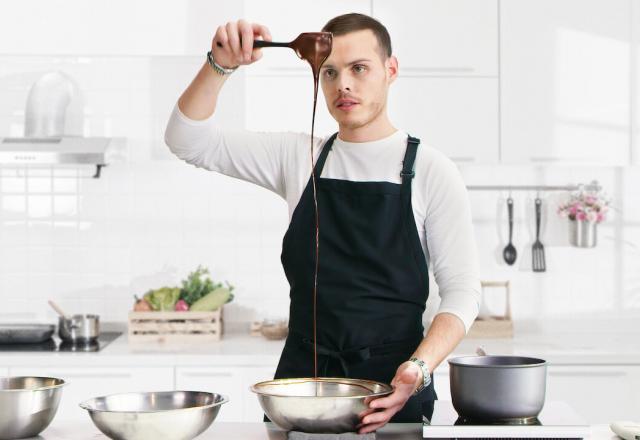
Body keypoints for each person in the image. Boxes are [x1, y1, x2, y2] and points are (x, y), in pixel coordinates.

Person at [165, 13, 481, 434]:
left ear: (391, 70)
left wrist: (418, 370)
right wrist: (220, 64)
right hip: (301, 391)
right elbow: (187, 140)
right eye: (329, 72)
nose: (342, 84)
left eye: (359, 69)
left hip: (392, 394)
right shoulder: (299, 158)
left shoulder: (431, 170)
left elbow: (462, 293)